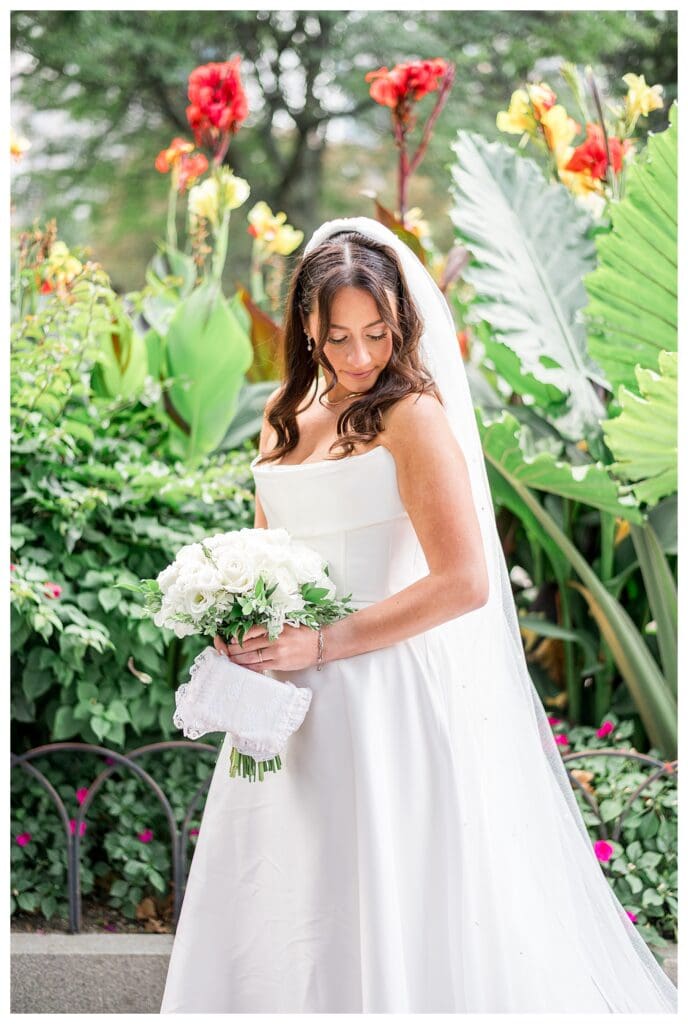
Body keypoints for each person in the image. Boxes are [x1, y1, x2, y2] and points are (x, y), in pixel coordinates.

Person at [160, 217, 678, 1013]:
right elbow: (267, 551)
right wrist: (240, 618)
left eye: (376, 334)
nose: (359, 356)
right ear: (307, 327)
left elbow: (465, 581)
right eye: (339, 337)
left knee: (379, 891)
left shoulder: (412, 418)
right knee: (285, 889)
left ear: (400, 322)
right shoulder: (283, 414)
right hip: (282, 700)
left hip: (379, 694)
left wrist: (322, 644)